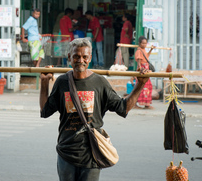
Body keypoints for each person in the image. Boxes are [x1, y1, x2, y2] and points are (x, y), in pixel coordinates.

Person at [39, 38, 150, 181]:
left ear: (90, 58)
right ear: (69, 58)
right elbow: (45, 111)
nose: (81, 60)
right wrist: (44, 83)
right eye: (76, 56)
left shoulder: (100, 82)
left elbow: (123, 108)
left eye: (84, 57)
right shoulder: (62, 82)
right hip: (66, 152)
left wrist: (140, 85)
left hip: (91, 154)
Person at [134, 36, 155, 109]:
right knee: (140, 87)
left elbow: (146, 57)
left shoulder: (144, 50)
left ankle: (147, 104)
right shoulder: (139, 51)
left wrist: (151, 50)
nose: (144, 45)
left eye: (145, 43)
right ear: (139, 43)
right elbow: (139, 63)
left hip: (146, 70)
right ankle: (135, 103)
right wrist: (140, 70)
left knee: (148, 87)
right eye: (143, 43)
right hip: (143, 71)